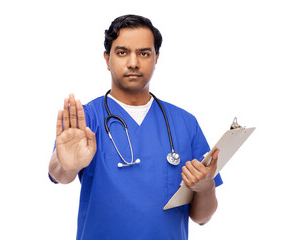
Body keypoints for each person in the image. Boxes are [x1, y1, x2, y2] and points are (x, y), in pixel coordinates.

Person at [48, 14, 223, 240]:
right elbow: (59, 173)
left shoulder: (184, 123)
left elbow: (201, 218)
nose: (133, 62)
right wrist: (67, 166)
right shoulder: (87, 119)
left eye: (144, 53)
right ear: (107, 59)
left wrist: (206, 186)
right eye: (122, 52)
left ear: (156, 57)